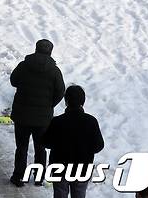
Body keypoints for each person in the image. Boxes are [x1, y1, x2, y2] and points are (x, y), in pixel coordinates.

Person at [9, 39, 66, 187]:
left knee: (21, 147)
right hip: (42, 119)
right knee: (41, 148)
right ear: (50, 52)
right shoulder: (54, 71)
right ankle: (39, 177)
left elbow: (13, 81)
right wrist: (48, 105)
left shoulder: (23, 66)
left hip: (22, 116)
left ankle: (18, 176)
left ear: (36, 49)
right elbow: (60, 91)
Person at [41, 85, 104, 197]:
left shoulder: (57, 122)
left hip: (59, 169)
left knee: (60, 193)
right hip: (82, 169)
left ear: (66, 101)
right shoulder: (91, 121)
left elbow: (46, 142)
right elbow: (99, 145)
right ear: (83, 101)